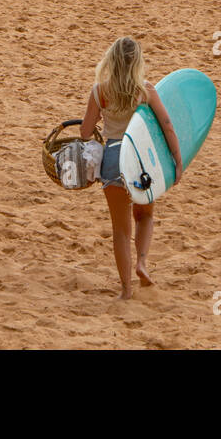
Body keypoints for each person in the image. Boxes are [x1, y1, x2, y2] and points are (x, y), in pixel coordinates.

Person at [80, 37, 181, 300]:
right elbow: (167, 125)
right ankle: (142, 263)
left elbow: (85, 131)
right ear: (137, 62)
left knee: (121, 231)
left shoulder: (99, 91)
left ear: (110, 60)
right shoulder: (145, 90)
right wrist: (177, 161)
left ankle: (126, 291)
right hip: (140, 159)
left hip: (114, 158)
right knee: (145, 215)